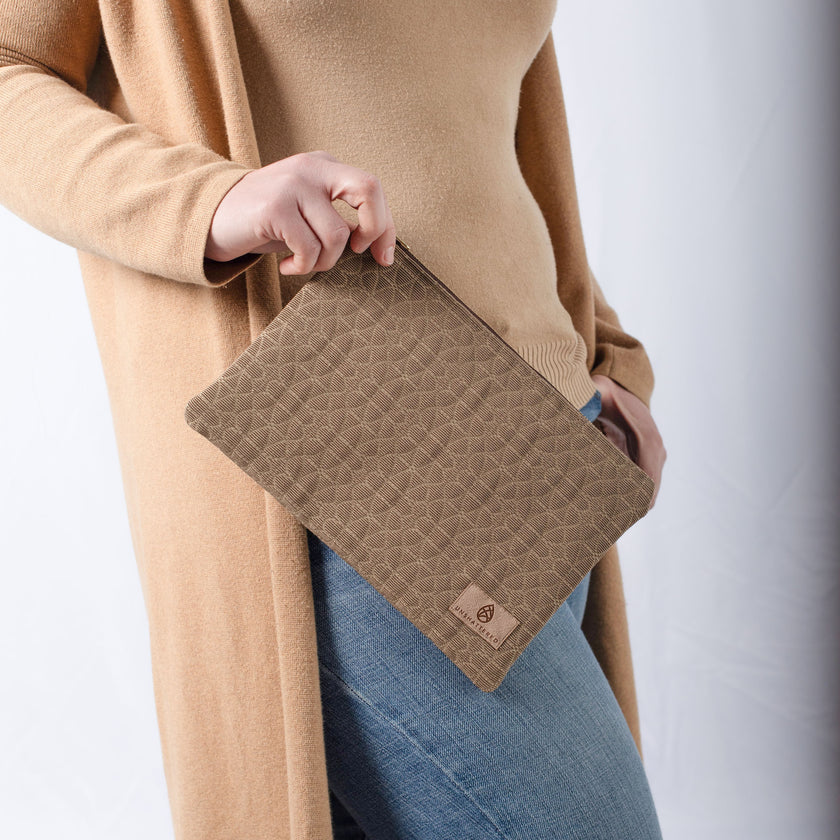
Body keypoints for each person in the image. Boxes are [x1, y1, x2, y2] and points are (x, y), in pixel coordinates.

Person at [0, 0, 667, 836]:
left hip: (555, 435)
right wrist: (211, 201)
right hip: (347, 434)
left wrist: (607, 358)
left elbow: (476, 128)